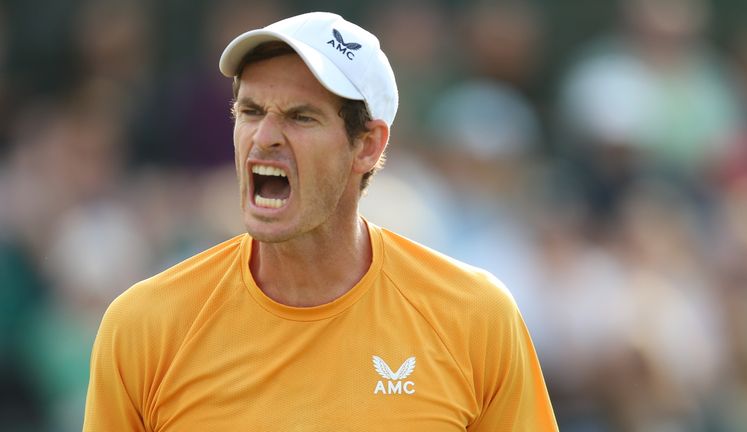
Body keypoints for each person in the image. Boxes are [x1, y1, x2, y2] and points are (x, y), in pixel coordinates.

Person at [82, 11, 558, 431]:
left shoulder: (475, 317)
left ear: (368, 146)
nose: (264, 137)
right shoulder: (144, 326)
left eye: (300, 117)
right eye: (249, 111)